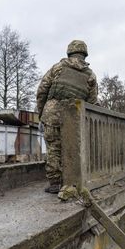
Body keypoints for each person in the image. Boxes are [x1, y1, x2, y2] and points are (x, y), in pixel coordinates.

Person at [36, 40, 98, 194]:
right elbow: (92, 102)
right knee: (73, 148)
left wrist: (42, 112)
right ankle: (73, 182)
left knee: (53, 148)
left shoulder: (57, 68)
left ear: (69, 52)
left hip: (52, 113)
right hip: (74, 116)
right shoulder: (90, 75)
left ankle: (55, 183)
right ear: (84, 54)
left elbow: (41, 91)